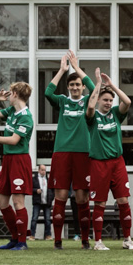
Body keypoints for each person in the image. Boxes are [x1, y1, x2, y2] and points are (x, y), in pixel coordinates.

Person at [43, 53, 96, 250]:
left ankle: (85, 240)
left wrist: (77, 68)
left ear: (82, 87)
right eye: (71, 85)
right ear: (68, 87)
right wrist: (63, 70)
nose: (75, 88)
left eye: (78, 85)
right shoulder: (62, 102)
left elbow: (93, 87)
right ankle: (57, 241)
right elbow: (48, 93)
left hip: (83, 153)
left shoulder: (87, 101)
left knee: (82, 198)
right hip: (62, 153)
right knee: (61, 196)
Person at [86, 69, 133, 252]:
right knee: (100, 202)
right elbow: (91, 106)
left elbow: (128, 102)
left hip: (117, 162)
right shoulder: (92, 117)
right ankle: (98, 241)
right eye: (105, 100)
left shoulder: (116, 113)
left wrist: (112, 87)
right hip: (99, 163)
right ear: (99, 99)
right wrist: (98, 85)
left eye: (110, 100)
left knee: (123, 200)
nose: (108, 103)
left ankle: (127, 239)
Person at [0, 82, 35, 250]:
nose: (8, 95)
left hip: (19, 160)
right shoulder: (12, 111)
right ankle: (14, 237)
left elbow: (14, 140)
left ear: (16, 94)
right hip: (8, 160)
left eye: (10, 92)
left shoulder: (26, 116)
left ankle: (22, 242)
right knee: (2, 201)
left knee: (18, 201)